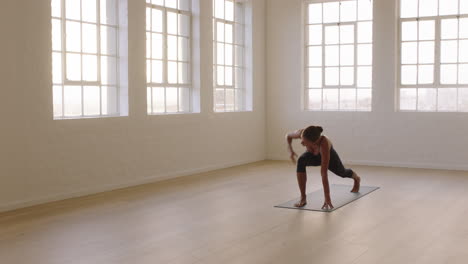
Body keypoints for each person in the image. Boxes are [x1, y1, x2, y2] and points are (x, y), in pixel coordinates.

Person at [285, 126, 361, 210]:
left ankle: (356, 178)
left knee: (342, 173)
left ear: (313, 142)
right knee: (301, 161)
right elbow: (288, 136)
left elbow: (324, 174)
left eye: (304, 142)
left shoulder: (324, 144)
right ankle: (303, 198)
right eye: (302, 139)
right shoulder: (302, 133)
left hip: (329, 156)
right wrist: (290, 150)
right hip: (313, 155)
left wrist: (327, 198)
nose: (301, 143)